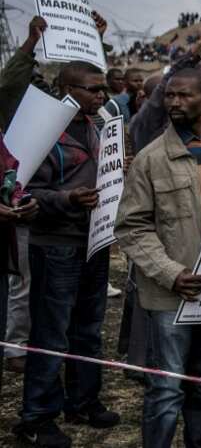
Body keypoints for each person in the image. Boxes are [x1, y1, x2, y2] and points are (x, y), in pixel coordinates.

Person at [114, 68, 201, 448]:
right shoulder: (150, 160)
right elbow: (132, 228)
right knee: (166, 389)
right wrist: (171, 274)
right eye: (169, 96)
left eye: (184, 96)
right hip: (171, 296)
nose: (174, 102)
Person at [15, 61, 121, 448]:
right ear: (65, 88)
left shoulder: (98, 128)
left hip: (93, 240)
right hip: (56, 243)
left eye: (103, 89)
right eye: (92, 89)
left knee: (88, 329)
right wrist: (68, 198)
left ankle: (82, 400)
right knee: (51, 331)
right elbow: (20, 190)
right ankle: (37, 417)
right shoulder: (43, 132)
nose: (101, 96)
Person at [1, 17, 45, 384]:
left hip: (39, 203)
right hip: (14, 204)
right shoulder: (12, 108)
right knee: (23, 281)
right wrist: (30, 44)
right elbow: (8, 83)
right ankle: (15, 347)